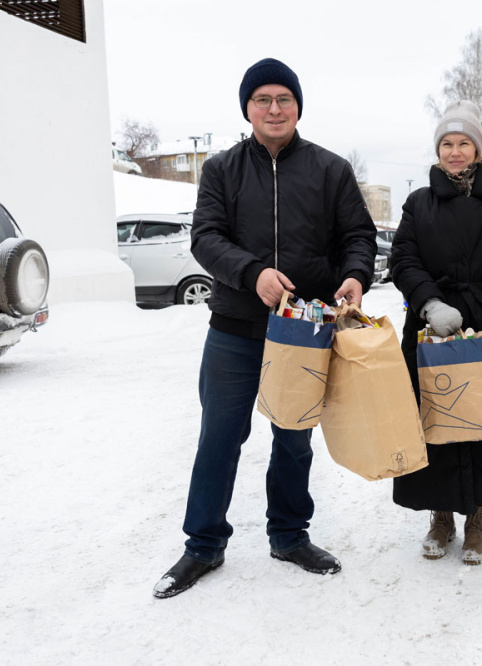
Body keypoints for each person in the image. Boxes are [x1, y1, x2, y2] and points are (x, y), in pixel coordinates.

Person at [153, 58, 377, 598]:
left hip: (304, 331)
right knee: (219, 438)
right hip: (234, 329)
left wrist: (353, 275)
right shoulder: (223, 170)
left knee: (294, 437)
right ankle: (203, 544)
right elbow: (205, 237)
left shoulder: (330, 169)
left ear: (298, 106)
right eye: (262, 100)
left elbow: (358, 235)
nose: (274, 109)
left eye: (284, 99)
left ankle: (289, 535)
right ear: (247, 108)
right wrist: (252, 273)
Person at [390, 100, 482, 565]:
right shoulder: (419, 202)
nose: (455, 152)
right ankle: (440, 518)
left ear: (477, 148)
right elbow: (403, 260)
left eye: (463, 143)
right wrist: (429, 302)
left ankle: (477, 521)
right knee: (436, 420)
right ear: (437, 150)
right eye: (447, 144)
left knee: (481, 422)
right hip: (433, 329)